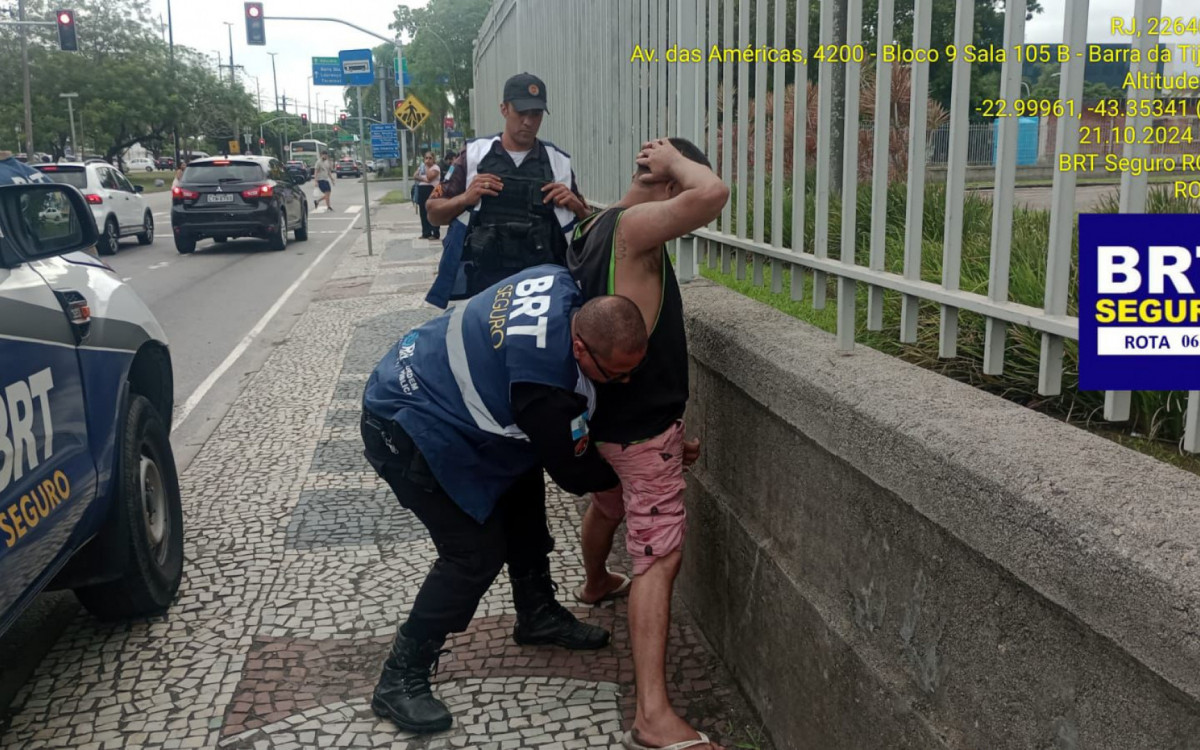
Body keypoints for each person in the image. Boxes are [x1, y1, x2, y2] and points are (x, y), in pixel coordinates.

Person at [361, 265, 648, 734]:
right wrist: (636, 471)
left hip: (437, 385)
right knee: (473, 553)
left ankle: (536, 614)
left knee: (521, 487)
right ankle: (400, 675)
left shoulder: (561, 279)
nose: (624, 382)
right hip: (406, 421)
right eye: (614, 375)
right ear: (579, 347)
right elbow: (576, 474)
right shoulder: (547, 389)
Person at [567, 138, 729, 750]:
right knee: (657, 558)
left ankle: (593, 582)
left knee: (609, 505)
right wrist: (680, 166)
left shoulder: (594, 222)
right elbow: (711, 194)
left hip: (600, 422)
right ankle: (653, 716)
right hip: (639, 430)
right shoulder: (635, 228)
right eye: (674, 184)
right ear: (664, 184)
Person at [424, 72, 591, 307]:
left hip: (541, 288)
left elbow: (591, 225)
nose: (529, 121)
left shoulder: (557, 161)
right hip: (485, 288)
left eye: (536, 114)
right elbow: (433, 213)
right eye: (521, 112)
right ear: (504, 109)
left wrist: (575, 206)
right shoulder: (473, 154)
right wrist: (465, 198)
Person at [416, 152, 441, 240]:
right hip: (422, 190)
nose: (428, 160)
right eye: (426, 158)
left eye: (430, 158)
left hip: (432, 190)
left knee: (432, 211)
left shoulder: (435, 168)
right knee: (423, 212)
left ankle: (435, 232)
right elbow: (415, 175)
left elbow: (430, 178)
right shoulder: (422, 167)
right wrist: (423, 179)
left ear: (433, 159)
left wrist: (426, 168)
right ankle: (426, 232)